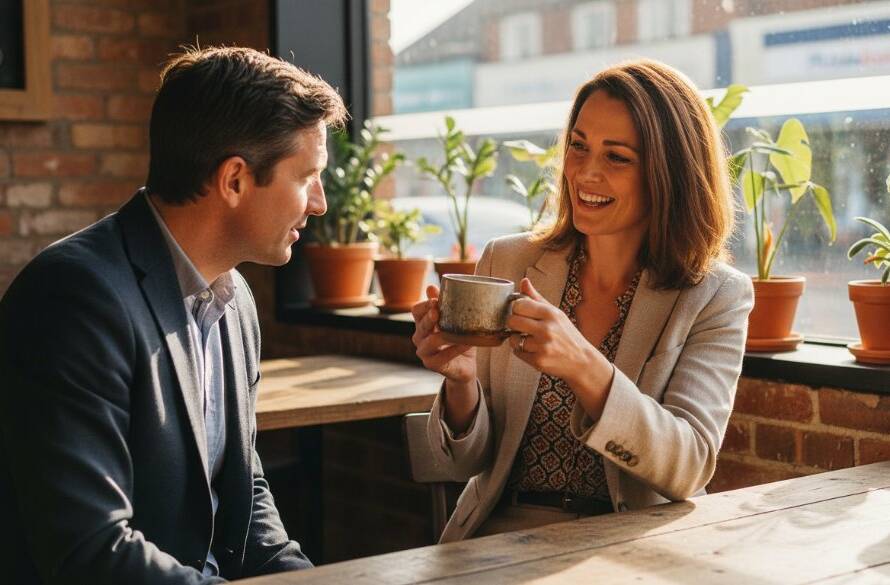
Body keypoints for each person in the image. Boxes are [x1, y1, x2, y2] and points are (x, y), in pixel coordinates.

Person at [0, 47, 347, 583]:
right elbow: (91, 551)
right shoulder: (73, 298)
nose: (319, 202)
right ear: (234, 180)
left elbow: (241, 489)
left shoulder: (236, 300)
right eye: (307, 177)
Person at [412, 59, 754, 542]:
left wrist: (583, 366)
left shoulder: (714, 295)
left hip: (626, 547)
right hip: (495, 540)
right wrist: (461, 383)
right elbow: (463, 464)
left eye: (616, 157)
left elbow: (689, 468)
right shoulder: (507, 261)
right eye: (578, 146)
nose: (586, 173)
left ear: (668, 173)